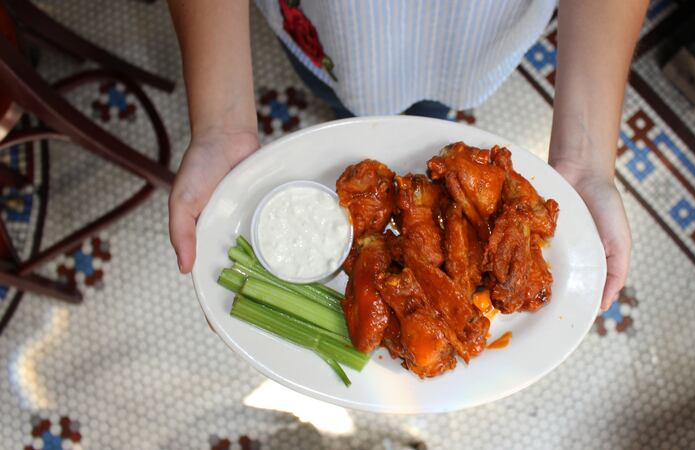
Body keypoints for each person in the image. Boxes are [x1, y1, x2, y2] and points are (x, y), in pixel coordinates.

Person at [166, 0, 646, 311]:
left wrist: (586, 158)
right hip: (333, 25)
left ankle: (410, 105)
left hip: (476, 34)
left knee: (435, 104)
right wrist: (221, 122)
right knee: (344, 86)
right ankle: (351, 102)